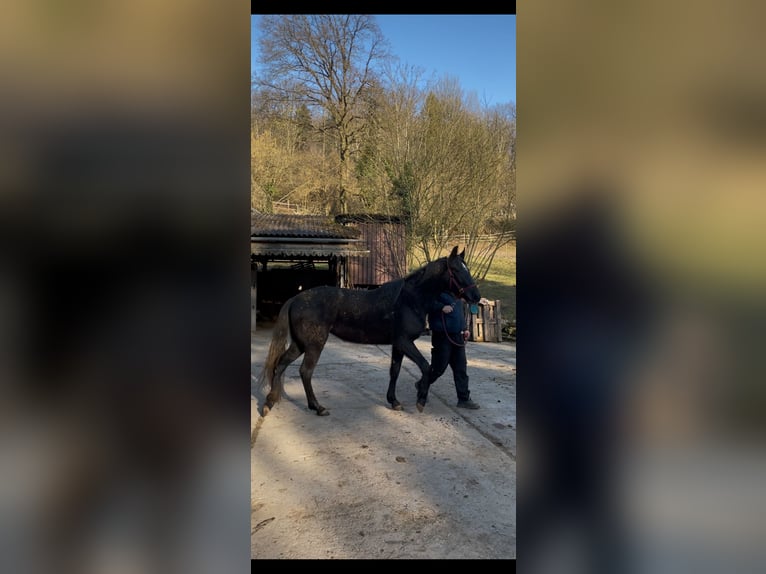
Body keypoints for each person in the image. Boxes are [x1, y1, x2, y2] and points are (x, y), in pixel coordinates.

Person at [426, 291, 489, 409]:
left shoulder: (457, 293)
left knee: (461, 368)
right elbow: (426, 303)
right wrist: (441, 307)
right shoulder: (436, 288)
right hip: (442, 335)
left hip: (457, 335)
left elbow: (459, 313)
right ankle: (422, 385)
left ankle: (464, 399)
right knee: (439, 367)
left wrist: (464, 328)